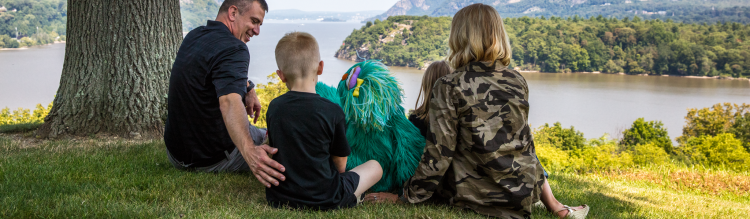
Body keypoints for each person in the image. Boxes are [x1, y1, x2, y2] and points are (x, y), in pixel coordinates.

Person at [365, 4, 589, 219]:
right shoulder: (517, 80)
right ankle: (557, 207)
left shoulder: (449, 85)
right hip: (521, 196)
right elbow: (523, 144)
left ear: (459, 37)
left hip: (475, 198)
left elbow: (439, 154)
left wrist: (405, 197)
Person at [406, 61, 589, 218]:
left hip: (445, 180)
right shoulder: (510, 83)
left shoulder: (415, 119)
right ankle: (553, 203)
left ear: (425, 84)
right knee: (524, 149)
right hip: (460, 180)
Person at [164, 0, 287, 189]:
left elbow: (217, 69)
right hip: (211, 159)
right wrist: (250, 153)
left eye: (259, 24)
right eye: (254, 21)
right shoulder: (235, 48)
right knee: (281, 141)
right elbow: (229, 102)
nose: (257, 31)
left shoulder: (195, 36)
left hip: (176, 154)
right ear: (232, 13)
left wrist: (249, 87)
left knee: (263, 133)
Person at [265, 31, 383, 210]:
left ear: (281, 75)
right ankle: (353, 198)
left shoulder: (274, 107)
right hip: (327, 198)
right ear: (320, 67)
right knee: (375, 167)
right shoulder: (332, 111)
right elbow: (340, 165)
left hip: (280, 197)